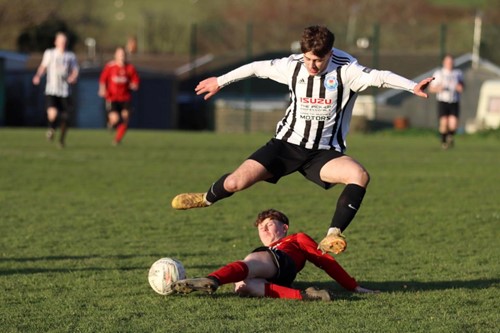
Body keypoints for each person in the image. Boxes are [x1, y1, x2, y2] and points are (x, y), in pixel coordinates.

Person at [171, 25, 434, 255]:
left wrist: (412, 86)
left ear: (330, 53)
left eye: (318, 60)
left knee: (359, 175)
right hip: (285, 145)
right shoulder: (292, 66)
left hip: (322, 152)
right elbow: (255, 68)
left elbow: (380, 76)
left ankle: (333, 234)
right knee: (235, 182)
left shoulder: (347, 70)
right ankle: (205, 198)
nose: (312, 65)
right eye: (308, 58)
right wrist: (220, 80)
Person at [168, 209, 378, 301]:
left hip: (281, 261)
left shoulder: (295, 239)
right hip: (279, 277)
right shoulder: (267, 250)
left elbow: (325, 261)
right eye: (261, 228)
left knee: (248, 263)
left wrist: (353, 286)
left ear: (284, 227)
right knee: (245, 286)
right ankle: (305, 296)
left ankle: (212, 279)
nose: (265, 230)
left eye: (269, 225)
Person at [32, 32, 79, 148]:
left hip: (65, 91)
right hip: (52, 90)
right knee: (52, 114)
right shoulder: (50, 53)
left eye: (64, 42)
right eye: (61, 41)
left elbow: (75, 70)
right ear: (56, 42)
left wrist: (73, 77)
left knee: (66, 118)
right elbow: (43, 66)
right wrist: (38, 76)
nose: (63, 44)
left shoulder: (70, 56)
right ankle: (51, 129)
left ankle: (61, 140)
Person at [98, 46, 140, 145]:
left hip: (125, 98)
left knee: (126, 117)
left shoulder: (130, 68)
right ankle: (111, 123)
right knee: (115, 119)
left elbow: (136, 82)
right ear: (115, 56)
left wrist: (134, 85)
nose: (122, 56)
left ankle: (117, 140)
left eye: (123, 55)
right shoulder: (110, 67)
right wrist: (102, 89)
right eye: (120, 54)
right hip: (112, 98)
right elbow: (102, 80)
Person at [429, 54, 464, 149]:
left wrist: (458, 87)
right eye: (448, 62)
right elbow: (431, 88)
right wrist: (438, 88)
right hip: (443, 101)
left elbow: (462, 87)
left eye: (451, 62)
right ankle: (444, 142)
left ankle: (450, 136)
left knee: (453, 124)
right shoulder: (439, 73)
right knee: (444, 123)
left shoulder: (458, 73)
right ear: (444, 63)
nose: (450, 64)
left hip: (454, 101)